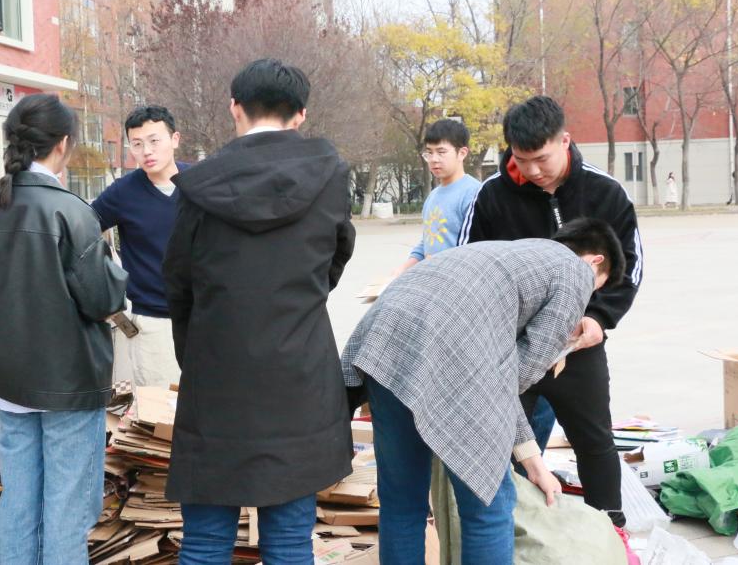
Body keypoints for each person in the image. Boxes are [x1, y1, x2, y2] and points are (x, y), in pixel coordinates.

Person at [162, 58, 356, 564]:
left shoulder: (200, 184)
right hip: (299, 375)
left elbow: (178, 282)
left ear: (235, 108)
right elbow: (335, 258)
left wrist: (197, 351)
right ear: (301, 114)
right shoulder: (330, 176)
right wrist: (296, 304)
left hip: (217, 378)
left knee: (205, 543)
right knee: (289, 542)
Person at [342, 219, 626, 565]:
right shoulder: (575, 271)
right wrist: (530, 457)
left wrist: (530, 459)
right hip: (452, 350)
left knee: (402, 502)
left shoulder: (508, 253)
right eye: (596, 288)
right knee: (488, 506)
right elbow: (522, 373)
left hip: (382, 346)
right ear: (595, 261)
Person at [455, 95, 643, 527]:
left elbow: (629, 266)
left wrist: (598, 318)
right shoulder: (492, 195)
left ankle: (608, 530)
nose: (533, 171)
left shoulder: (605, 192)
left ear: (565, 141)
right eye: (522, 160)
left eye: (542, 159)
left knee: (594, 440)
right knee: (503, 443)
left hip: (577, 342)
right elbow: (467, 264)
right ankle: (515, 532)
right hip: (510, 345)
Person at [0, 94, 128, 565]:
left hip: (9, 378)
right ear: (63, 144)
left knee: (19, 501)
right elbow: (102, 298)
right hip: (69, 381)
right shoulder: (69, 210)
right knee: (67, 509)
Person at [92, 106, 189, 388]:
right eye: (136, 144)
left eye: (154, 141)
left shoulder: (200, 183)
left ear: (175, 139)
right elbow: (82, 232)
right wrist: (104, 285)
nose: (146, 151)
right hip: (153, 323)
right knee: (161, 408)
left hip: (206, 317)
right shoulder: (123, 192)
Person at [391, 118, 480, 277]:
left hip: (459, 280)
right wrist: (402, 270)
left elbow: (475, 250)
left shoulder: (474, 193)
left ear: (462, 153)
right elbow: (427, 242)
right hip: (432, 279)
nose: (434, 159)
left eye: (441, 152)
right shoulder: (433, 196)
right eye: (429, 153)